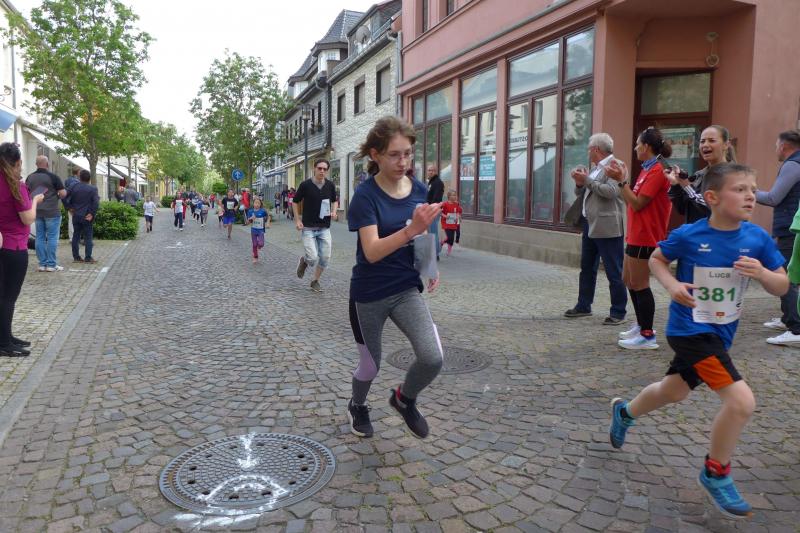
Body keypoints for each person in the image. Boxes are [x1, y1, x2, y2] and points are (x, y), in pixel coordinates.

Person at [609, 163, 787, 520]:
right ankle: (715, 471)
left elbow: (782, 285)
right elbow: (657, 259)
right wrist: (673, 286)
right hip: (689, 331)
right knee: (741, 402)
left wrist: (762, 273)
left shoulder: (757, 239)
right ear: (712, 197)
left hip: (721, 335)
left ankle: (624, 412)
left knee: (673, 391)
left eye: (753, 190)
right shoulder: (690, 235)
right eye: (740, 189)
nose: (750, 196)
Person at [345, 116, 443, 439]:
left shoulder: (419, 189)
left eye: (408, 154)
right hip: (369, 294)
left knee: (432, 357)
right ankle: (358, 405)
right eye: (394, 155)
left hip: (405, 289)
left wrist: (429, 266)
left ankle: (404, 399)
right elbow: (372, 251)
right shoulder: (365, 196)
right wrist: (410, 229)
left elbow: (423, 231)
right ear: (376, 155)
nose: (403, 162)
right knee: (370, 365)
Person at [606, 127, 672, 349]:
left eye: (637, 144)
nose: (635, 148)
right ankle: (642, 324)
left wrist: (620, 181)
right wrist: (622, 181)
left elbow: (637, 203)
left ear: (646, 146)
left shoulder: (658, 170)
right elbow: (632, 200)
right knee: (629, 280)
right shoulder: (647, 169)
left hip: (647, 235)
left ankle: (647, 335)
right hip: (635, 232)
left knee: (640, 284)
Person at [563, 133, 627, 324]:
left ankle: (618, 312)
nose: (588, 152)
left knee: (613, 270)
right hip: (589, 224)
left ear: (596, 149)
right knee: (587, 268)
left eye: (589, 149)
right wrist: (579, 182)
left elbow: (611, 192)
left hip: (608, 227)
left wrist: (587, 180)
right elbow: (584, 193)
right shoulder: (595, 168)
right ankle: (584, 305)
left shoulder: (616, 165)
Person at [755, 130, 800, 345]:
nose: (775, 150)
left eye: (776, 146)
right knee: (788, 274)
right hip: (792, 227)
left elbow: (774, 197)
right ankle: (787, 318)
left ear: (784, 146)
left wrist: (747, 191)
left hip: (791, 228)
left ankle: (796, 328)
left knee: (787, 277)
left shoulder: (793, 164)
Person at [0, 143, 45, 357]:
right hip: (14, 246)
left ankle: (6, 336)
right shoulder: (17, 186)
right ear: (17, 163)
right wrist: (35, 200)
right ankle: (4, 343)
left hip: (3, 244)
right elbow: (28, 218)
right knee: (8, 296)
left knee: (2, 295)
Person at [667, 125, 735, 224]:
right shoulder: (698, 175)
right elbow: (683, 209)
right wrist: (675, 184)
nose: (705, 145)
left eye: (712, 141)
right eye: (702, 141)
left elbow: (714, 209)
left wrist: (686, 186)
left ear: (726, 144)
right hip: (694, 232)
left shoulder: (734, 175)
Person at [293, 160, 338, 292]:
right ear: (314, 168)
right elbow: (295, 202)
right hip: (308, 227)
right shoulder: (305, 185)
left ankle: (315, 281)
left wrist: (334, 211)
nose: (322, 171)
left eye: (325, 169)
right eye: (319, 168)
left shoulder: (330, 185)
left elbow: (335, 201)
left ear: (327, 170)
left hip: (324, 227)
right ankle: (305, 261)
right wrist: (297, 220)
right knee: (312, 258)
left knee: (325, 257)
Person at [26, 155, 67, 272]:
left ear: (36, 164)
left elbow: (26, 194)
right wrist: (56, 196)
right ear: (47, 164)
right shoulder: (53, 177)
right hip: (52, 211)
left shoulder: (29, 177)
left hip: (37, 211)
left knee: (40, 237)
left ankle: (42, 264)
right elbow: (63, 193)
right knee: (52, 237)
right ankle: (51, 264)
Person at [66, 170, 99, 264]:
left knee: (76, 236)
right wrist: (92, 213)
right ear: (89, 179)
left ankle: (76, 257)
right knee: (88, 237)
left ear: (80, 178)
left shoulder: (73, 186)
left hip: (76, 215)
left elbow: (64, 196)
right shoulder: (93, 188)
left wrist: (69, 207)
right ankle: (88, 257)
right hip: (87, 216)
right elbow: (96, 203)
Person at [426, 164, 444, 259]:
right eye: (429, 170)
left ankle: (436, 253)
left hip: (434, 210)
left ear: (436, 172)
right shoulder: (431, 182)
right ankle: (435, 251)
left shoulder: (438, 183)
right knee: (431, 232)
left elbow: (436, 198)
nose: (430, 172)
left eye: (432, 170)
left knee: (433, 232)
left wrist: (431, 209)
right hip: (430, 209)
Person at [247, 197, 271, 263]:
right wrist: (251, 219)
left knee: (261, 244)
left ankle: (259, 246)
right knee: (254, 244)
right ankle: (255, 257)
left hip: (261, 230)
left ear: (260, 204)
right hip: (253, 230)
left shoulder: (262, 211)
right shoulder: (250, 211)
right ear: (253, 203)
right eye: (256, 203)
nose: (257, 204)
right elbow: (247, 222)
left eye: (258, 203)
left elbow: (268, 216)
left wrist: (268, 223)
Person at [440, 190, 462, 257]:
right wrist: (445, 216)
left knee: (451, 238)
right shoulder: (445, 204)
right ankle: (442, 243)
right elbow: (440, 212)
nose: (455, 196)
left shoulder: (456, 204)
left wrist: (458, 217)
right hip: (446, 223)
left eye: (455, 195)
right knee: (449, 237)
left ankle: (449, 250)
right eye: (453, 195)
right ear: (449, 196)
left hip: (453, 223)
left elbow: (458, 213)